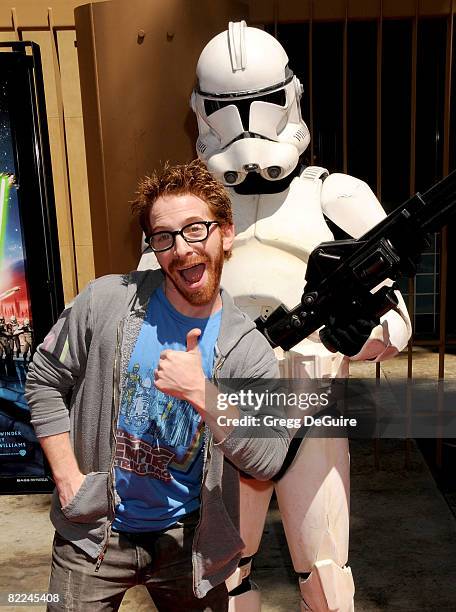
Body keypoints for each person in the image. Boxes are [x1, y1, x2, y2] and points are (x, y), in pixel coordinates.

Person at [186, 22, 411, 612]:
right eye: (229, 110)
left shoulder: (333, 196)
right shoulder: (193, 209)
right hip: (225, 403)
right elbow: (148, 310)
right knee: (223, 576)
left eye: (259, 106)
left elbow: (397, 317)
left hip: (311, 396)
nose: (248, 127)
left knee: (328, 575)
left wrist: (363, 332)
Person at [25, 159, 289, 612]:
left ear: (226, 234)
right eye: (164, 237)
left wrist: (201, 393)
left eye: (195, 229)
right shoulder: (106, 301)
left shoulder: (247, 349)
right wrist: (68, 479)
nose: (182, 249)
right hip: (92, 535)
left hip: (189, 542)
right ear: (153, 247)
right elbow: (44, 378)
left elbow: (268, 458)